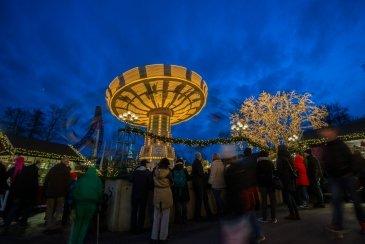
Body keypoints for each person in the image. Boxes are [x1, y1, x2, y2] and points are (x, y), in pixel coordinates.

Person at [318, 126, 365, 234]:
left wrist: (353, 174)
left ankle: (363, 222)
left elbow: (350, 159)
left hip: (346, 176)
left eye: (326, 131)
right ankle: (337, 224)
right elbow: (325, 161)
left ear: (332, 132)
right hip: (334, 178)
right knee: (336, 201)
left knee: (356, 201)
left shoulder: (341, 144)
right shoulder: (327, 147)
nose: (324, 133)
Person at [69, 167, 103, 244]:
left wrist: (73, 203)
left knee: (77, 223)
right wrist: (99, 202)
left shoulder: (82, 179)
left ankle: (72, 241)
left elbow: (75, 190)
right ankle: (80, 241)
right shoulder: (98, 180)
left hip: (80, 203)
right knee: (85, 223)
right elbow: (100, 192)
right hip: (92, 204)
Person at [43, 157, 71, 232]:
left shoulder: (53, 169)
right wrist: (66, 191)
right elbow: (68, 183)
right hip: (61, 193)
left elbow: (46, 179)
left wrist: (46, 190)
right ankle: (56, 225)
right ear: (66, 162)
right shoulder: (66, 170)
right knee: (59, 210)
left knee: (49, 209)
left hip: (51, 192)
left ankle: (48, 225)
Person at [151, 158, 173, 243]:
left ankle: (154, 236)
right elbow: (172, 183)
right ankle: (163, 237)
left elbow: (151, 182)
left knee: (156, 216)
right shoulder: (169, 172)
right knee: (165, 217)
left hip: (157, 193)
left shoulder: (155, 171)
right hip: (166, 194)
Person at [277, 145, 300, 220]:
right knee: (291, 196)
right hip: (291, 179)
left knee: (288, 197)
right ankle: (296, 213)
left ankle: (292, 214)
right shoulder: (290, 158)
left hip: (285, 179)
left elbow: (279, 170)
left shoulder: (280, 158)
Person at [129, 159, 152, 233]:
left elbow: (131, 179)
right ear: (145, 164)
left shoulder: (135, 172)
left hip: (135, 193)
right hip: (144, 194)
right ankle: (140, 227)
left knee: (134, 210)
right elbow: (150, 183)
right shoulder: (147, 173)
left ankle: (133, 227)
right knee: (142, 211)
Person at [257, 150, 277, 223]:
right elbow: (274, 172)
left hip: (262, 184)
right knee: (272, 201)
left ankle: (264, 218)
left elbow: (257, 175)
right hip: (271, 184)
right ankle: (273, 218)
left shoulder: (258, 163)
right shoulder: (270, 163)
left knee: (264, 201)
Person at [191, 152, 212, 221]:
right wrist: (207, 174)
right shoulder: (198, 163)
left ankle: (202, 215)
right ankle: (198, 216)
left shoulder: (194, 162)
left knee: (201, 199)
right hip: (200, 184)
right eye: (201, 156)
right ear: (199, 156)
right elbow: (200, 173)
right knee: (201, 200)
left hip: (198, 184)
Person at [172, 158, 190, 224]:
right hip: (184, 189)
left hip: (176, 190)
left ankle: (178, 220)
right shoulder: (184, 169)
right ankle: (184, 219)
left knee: (178, 205)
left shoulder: (173, 169)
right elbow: (188, 178)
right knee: (184, 205)